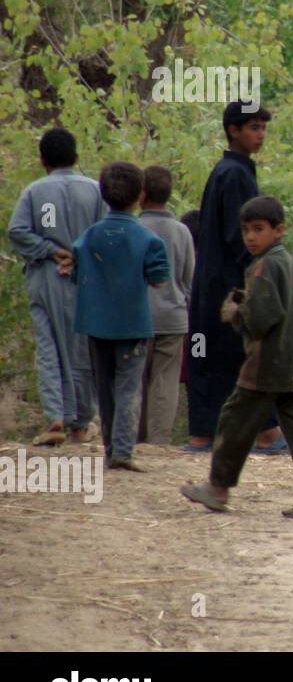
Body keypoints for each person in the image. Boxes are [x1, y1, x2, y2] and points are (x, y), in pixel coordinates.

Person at [182, 196, 293, 518]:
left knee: (234, 420)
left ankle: (217, 488)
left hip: (269, 364)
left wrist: (237, 312)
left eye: (258, 229)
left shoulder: (263, 266)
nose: (251, 237)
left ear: (277, 231)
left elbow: (262, 318)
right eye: (246, 230)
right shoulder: (285, 261)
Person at [187, 101, 283, 453]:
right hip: (229, 282)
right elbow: (239, 234)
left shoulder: (228, 170)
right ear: (233, 130)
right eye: (253, 128)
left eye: (262, 128)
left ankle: (203, 433)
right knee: (247, 354)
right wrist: (260, 277)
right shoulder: (235, 173)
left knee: (209, 355)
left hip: (212, 281)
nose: (260, 135)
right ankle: (265, 433)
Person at [7, 128, 104, 447]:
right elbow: (105, 235)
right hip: (84, 279)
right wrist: (78, 256)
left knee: (48, 347)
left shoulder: (34, 192)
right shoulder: (94, 191)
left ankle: (55, 418)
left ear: (42, 159)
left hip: (46, 276)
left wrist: (51, 250)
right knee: (82, 348)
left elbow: (18, 231)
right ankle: (81, 422)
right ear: (76, 158)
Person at [71, 162, 170, 471]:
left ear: (103, 194)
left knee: (104, 386)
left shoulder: (87, 238)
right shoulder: (149, 240)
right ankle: (124, 451)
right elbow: (158, 280)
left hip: (95, 323)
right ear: (140, 195)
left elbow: (76, 275)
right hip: (132, 323)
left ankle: (110, 448)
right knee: (129, 387)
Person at [137, 166, 195, 446]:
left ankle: (134, 437)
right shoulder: (181, 231)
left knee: (135, 378)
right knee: (165, 380)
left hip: (136, 317)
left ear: (141, 194)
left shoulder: (133, 228)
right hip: (173, 317)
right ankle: (158, 440)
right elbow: (189, 279)